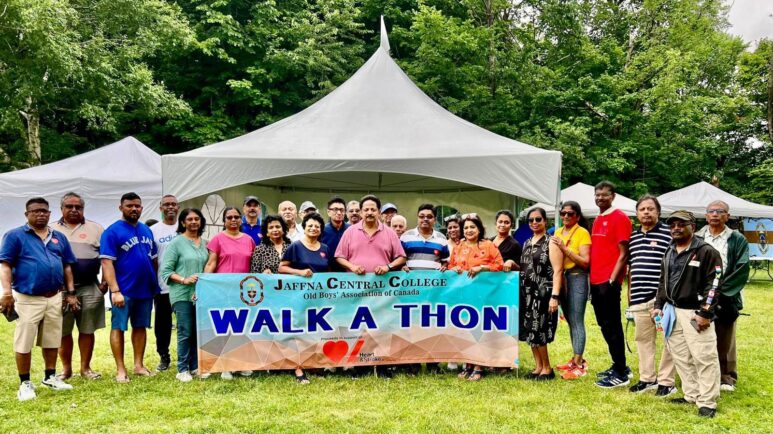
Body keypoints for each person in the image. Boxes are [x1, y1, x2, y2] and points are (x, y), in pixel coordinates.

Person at [0, 198, 79, 400]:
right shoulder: (15, 236)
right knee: (24, 341)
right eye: (35, 211)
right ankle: (25, 383)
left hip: (54, 296)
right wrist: (6, 293)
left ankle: (50, 376)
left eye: (44, 211)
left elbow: (67, 266)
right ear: (27, 214)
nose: (41, 214)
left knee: (52, 339)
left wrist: (70, 293)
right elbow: (5, 265)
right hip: (27, 297)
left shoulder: (58, 237)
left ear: (50, 213)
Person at [652, 210, 723, 418]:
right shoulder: (669, 250)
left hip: (695, 312)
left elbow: (715, 284)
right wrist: (659, 304)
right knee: (681, 356)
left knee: (704, 356)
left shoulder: (706, 251)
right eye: (672, 224)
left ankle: (707, 401)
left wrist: (705, 312)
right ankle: (691, 394)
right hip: (672, 311)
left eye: (681, 224)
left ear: (693, 225)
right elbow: (662, 281)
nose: (676, 228)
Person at [335, 195, 406, 378]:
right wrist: (351, 266)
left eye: (373, 209)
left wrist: (387, 266)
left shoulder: (389, 232)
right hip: (356, 289)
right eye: (365, 209)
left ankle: (382, 366)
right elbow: (339, 256)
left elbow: (401, 257)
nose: (369, 212)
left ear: (379, 212)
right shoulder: (350, 231)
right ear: (360, 212)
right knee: (359, 327)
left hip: (382, 289)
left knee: (382, 325)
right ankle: (361, 366)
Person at [100, 192, 160, 383]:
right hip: (123, 290)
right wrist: (115, 290)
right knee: (119, 327)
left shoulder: (146, 230)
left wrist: (154, 282)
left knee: (140, 326)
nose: (134, 209)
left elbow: (154, 259)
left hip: (145, 289)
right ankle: (120, 369)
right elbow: (107, 263)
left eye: (137, 206)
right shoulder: (112, 231)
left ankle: (138, 365)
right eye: (130, 206)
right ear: (121, 208)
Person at [695, 200, 750, 392]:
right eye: (711, 211)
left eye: (720, 211)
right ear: (706, 215)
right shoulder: (697, 237)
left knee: (725, 337)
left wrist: (719, 293)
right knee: (699, 335)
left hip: (727, 295)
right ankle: (701, 374)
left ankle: (726, 377)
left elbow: (741, 268)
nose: (715, 214)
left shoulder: (736, 239)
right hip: (700, 295)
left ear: (728, 215)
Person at [51, 192, 106, 381]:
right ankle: (66, 370)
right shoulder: (50, 229)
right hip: (60, 290)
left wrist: (104, 283)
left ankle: (86, 368)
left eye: (78, 207)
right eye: (69, 206)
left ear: (83, 209)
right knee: (63, 331)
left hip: (89, 287)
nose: (74, 210)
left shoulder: (96, 228)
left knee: (87, 329)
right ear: (61, 209)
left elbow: (108, 257)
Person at [626, 195, 677, 395]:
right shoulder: (633, 236)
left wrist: (665, 296)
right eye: (642, 209)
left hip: (661, 299)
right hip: (638, 298)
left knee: (669, 339)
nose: (646, 212)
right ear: (637, 213)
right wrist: (630, 298)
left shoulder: (669, 234)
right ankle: (648, 379)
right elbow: (631, 267)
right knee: (643, 340)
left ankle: (667, 381)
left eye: (651, 209)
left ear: (658, 212)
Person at [449, 214, 504, 381]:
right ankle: (468, 363)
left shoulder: (488, 245)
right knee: (465, 329)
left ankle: (479, 365)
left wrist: (482, 267)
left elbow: (499, 265)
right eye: (465, 228)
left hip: (483, 295)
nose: (468, 230)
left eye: (472, 227)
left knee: (479, 329)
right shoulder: (458, 246)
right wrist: (454, 269)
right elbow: (451, 265)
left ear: (479, 229)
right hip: (462, 296)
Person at [279, 212, 331, 384]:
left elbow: (329, 271)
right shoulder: (295, 246)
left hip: (320, 298)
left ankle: (315, 365)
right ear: (304, 227)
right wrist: (300, 272)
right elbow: (282, 267)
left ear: (321, 229)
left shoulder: (325, 248)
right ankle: (298, 368)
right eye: (310, 225)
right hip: (299, 297)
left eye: (317, 226)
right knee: (299, 332)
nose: (314, 228)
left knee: (317, 332)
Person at [590, 181, 633, 388]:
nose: (600, 198)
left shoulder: (620, 218)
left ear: (613, 196)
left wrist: (612, 279)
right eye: (597, 195)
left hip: (609, 281)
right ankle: (618, 364)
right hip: (595, 280)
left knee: (613, 325)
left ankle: (621, 372)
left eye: (604, 195)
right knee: (604, 324)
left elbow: (624, 254)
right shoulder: (598, 218)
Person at [205, 206, 256, 379]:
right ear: (224, 220)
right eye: (229, 217)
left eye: (236, 217)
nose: (233, 220)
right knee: (226, 327)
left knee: (242, 327)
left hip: (244, 291)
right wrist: (205, 284)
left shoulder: (249, 239)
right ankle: (226, 365)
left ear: (241, 219)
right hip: (223, 290)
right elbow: (211, 263)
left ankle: (240, 364)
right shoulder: (217, 239)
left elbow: (253, 265)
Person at [159, 208, 209, 382]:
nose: (194, 222)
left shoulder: (205, 243)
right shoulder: (176, 243)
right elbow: (165, 271)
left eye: (197, 219)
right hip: (181, 293)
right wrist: (184, 280)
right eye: (190, 219)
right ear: (183, 223)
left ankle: (195, 366)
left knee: (198, 331)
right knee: (185, 330)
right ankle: (182, 368)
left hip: (201, 295)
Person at [549, 201, 592, 380]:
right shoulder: (558, 232)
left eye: (570, 214)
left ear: (577, 216)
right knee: (569, 320)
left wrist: (565, 248)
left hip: (577, 276)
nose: (566, 216)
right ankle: (575, 359)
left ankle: (579, 363)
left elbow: (585, 262)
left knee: (577, 321)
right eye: (563, 213)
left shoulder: (582, 233)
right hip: (563, 278)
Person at [519, 208, 563, 381]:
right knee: (530, 330)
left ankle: (547, 368)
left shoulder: (551, 242)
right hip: (527, 293)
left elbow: (558, 271)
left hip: (543, 293)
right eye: (531, 220)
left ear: (545, 221)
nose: (534, 223)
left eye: (538, 219)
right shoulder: (527, 242)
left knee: (540, 329)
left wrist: (555, 296)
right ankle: (537, 366)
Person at [149, 194, 179, 372]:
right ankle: (164, 356)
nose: (170, 207)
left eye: (173, 204)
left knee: (186, 322)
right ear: (160, 208)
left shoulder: (184, 226)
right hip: (163, 285)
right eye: (166, 204)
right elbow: (151, 258)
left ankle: (189, 355)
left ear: (178, 207)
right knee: (162, 323)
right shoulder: (153, 230)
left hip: (185, 284)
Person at [321, 197, 349, 271]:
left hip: (348, 270)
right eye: (335, 209)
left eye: (342, 210)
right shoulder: (322, 230)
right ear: (328, 212)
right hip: (327, 271)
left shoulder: (351, 229)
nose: (339, 213)